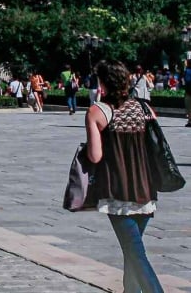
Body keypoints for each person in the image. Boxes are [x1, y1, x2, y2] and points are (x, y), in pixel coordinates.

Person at [86, 60, 166, 293]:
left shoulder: (98, 111)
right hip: (146, 189)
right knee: (131, 250)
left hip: (117, 191)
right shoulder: (145, 108)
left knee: (135, 253)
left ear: (103, 83)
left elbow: (95, 155)